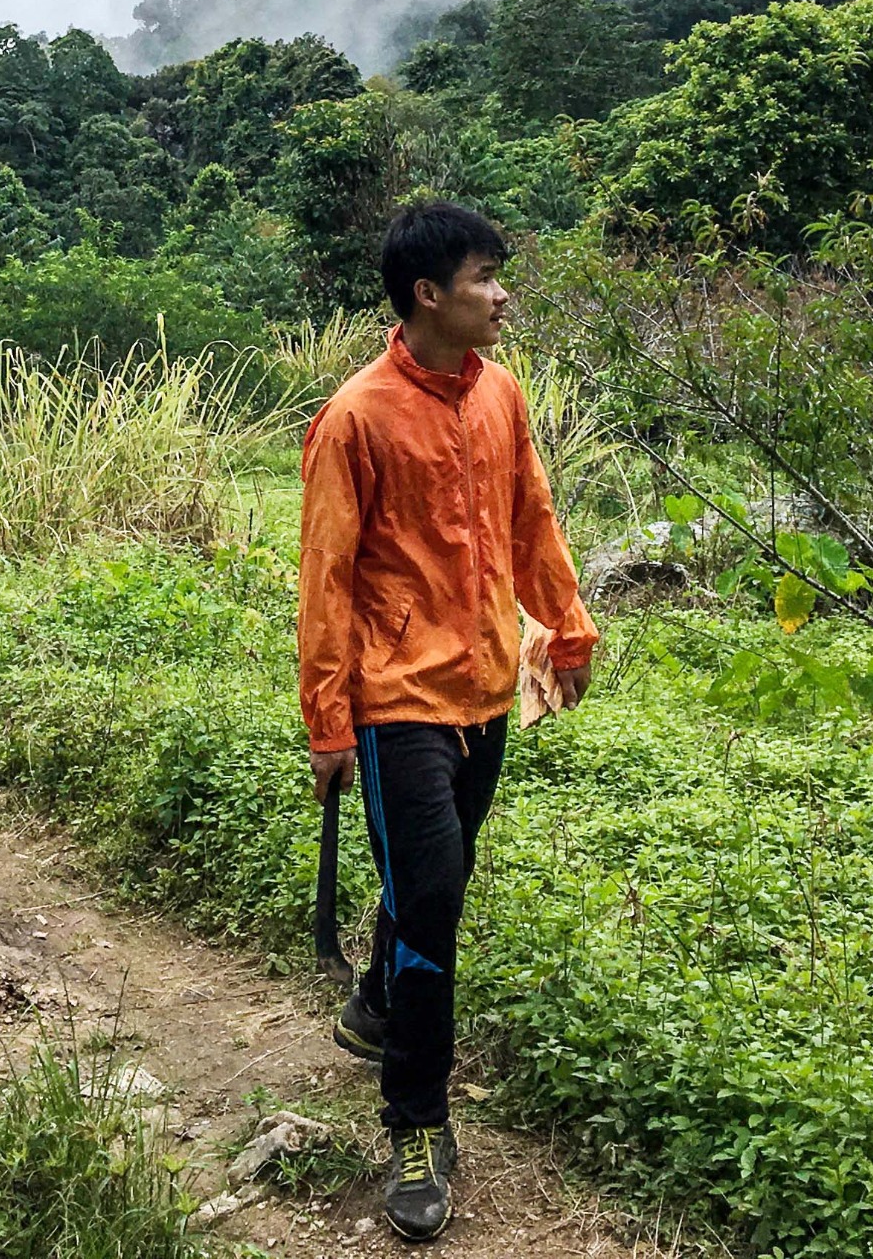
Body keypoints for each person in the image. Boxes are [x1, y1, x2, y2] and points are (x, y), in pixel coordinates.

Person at [299, 202, 599, 1245]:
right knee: (431, 898)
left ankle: (379, 990)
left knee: (440, 880)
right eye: (484, 277)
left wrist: (565, 621)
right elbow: (326, 579)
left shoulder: (501, 394)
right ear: (429, 294)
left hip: (483, 687)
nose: (502, 292)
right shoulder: (356, 417)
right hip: (393, 703)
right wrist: (328, 722)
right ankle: (417, 1124)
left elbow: (532, 515)